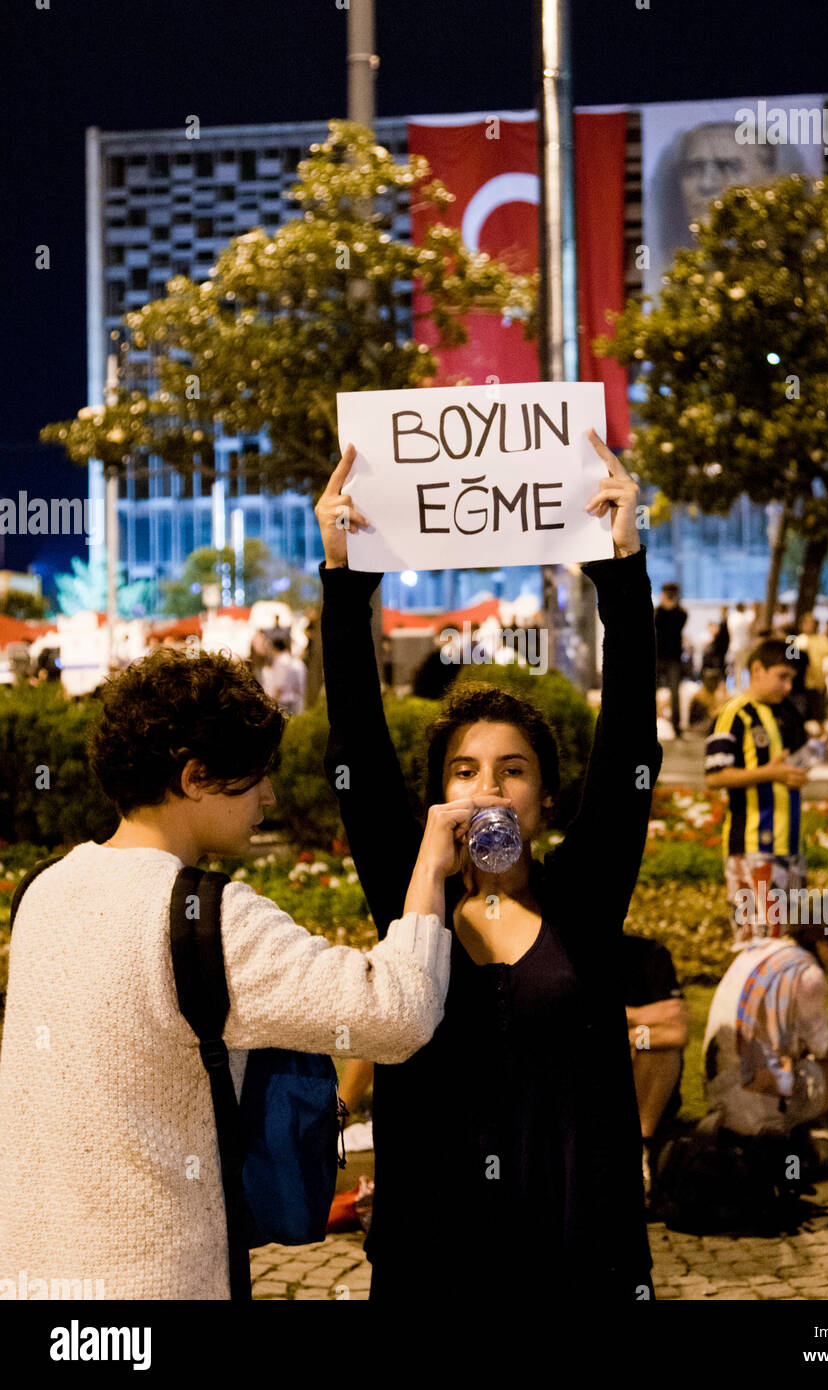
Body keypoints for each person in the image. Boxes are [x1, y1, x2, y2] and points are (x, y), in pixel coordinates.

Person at [316, 430, 662, 1304]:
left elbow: (631, 749)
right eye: (464, 773)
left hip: (574, 1246)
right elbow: (353, 739)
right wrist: (346, 575)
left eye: (513, 771)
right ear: (437, 798)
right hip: (438, 1253)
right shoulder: (410, 895)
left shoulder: (581, 894)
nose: (488, 792)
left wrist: (620, 567)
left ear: (545, 797)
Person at [0, 648, 450, 1300]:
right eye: (255, 774)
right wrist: (429, 871)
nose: (268, 793)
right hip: (158, 1284)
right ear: (193, 778)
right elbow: (398, 1010)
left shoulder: (44, 890)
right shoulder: (204, 915)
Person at [701, 892, 828, 1161]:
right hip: (759, 1102)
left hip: (719, 1088)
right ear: (826, 941)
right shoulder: (808, 973)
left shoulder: (759, 950)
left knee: (801, 1060)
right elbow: (824, 1048)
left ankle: (818, 1131)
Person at [704, 637, 810, 946]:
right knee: (758, 941)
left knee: (788, 939)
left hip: (791, 845)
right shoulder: (733, 714)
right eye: (783, 677)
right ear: (757, 669)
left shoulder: (787, 714)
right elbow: (715, 776)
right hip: (752, 846)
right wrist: (770, 773)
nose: (788, 686)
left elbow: (789, 767)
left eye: (792, 679)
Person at [621, 935, 688, 1198]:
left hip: (635, 1064)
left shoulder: (648, 953)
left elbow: (677, 1030)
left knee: (661, 1046)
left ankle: (640, 1149)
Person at [654, 582, 687, 738]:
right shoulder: (657, 612)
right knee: (650, 692)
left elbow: (678, 624)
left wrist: (671, 606)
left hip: (673, 658)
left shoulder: (680, 614)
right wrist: (663, 606)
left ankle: (676, 726)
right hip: (656, 657)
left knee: (675, 694)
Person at [794, 613, 828, 730]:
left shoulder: (822, 639)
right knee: (800, 712)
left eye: (811, 622)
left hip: (818, 683)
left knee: (819, 712)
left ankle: (822, 734)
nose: (809, 625)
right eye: (806, 622)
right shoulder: (798, 641)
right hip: (803, 683)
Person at [267, 634, 307, 715]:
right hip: (296, 699)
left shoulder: (280, 661)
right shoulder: (297, 663)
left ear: (275, 648)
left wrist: (273, 700)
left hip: (283, 700)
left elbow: (279, 684)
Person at [688, 668, 727, 735]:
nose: (714, 684)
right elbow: (711, 715)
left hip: (707, 725)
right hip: (697, 727)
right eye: (711, 681)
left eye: (715, 681)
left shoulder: (715, 694)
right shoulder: (699, 696)